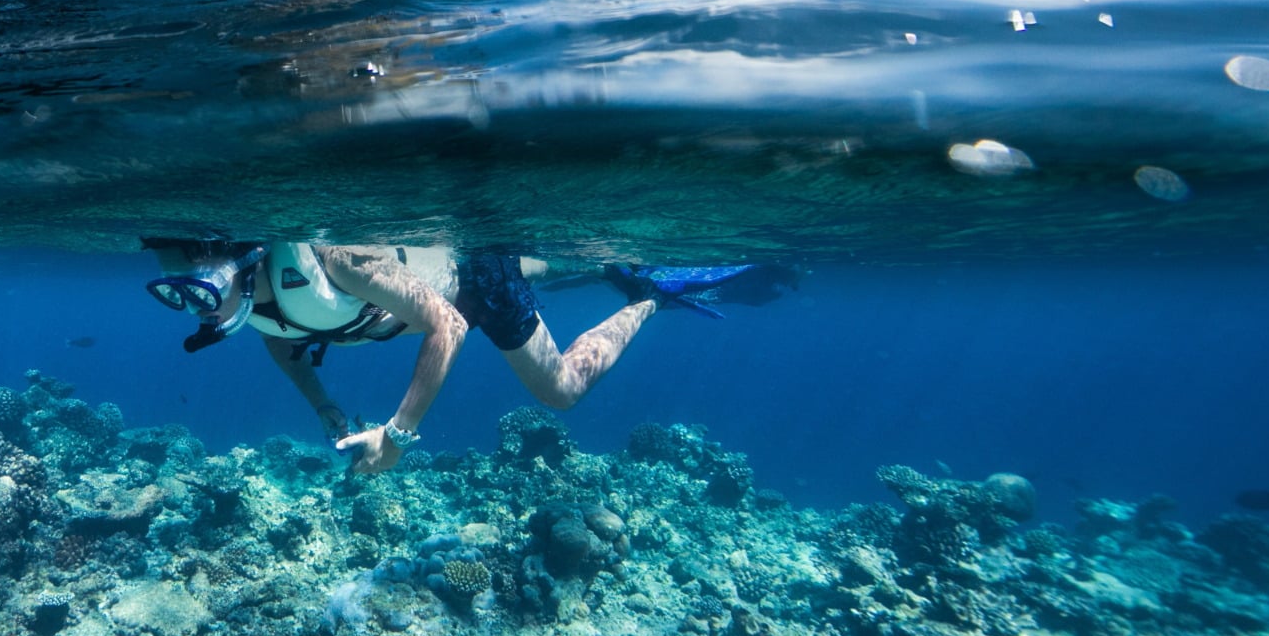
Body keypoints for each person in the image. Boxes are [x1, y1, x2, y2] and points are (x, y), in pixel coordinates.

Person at [142, 240, 795, 476]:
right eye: (174, 294)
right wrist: (326, 407)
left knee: (562, 390)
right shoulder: (247, 300)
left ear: (243, 261)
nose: (194, 309)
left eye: (199, 290)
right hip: (420, 299)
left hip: (475, 280)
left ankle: (649, 296)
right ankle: (616, 274)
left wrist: (397, 435)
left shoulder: (336, 261)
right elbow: (283, 342)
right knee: (565, 274)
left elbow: (448, 323)